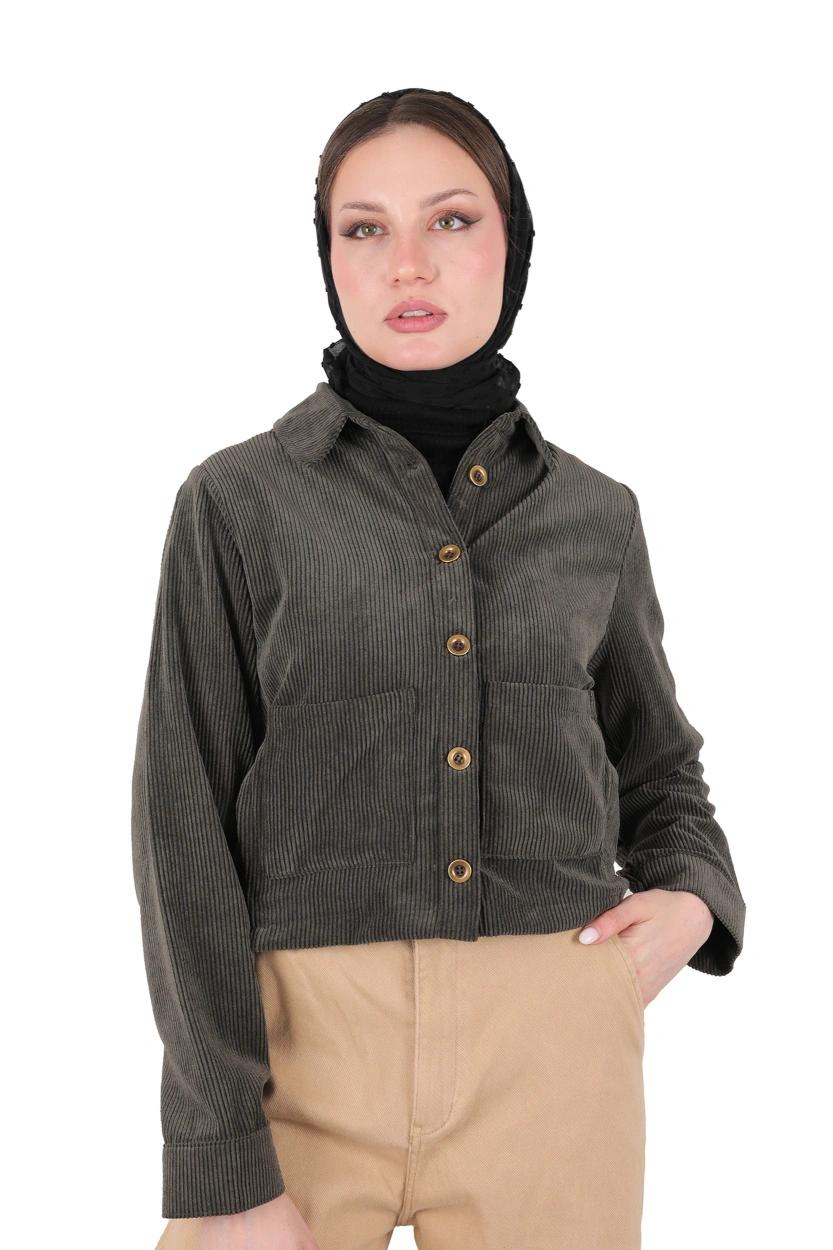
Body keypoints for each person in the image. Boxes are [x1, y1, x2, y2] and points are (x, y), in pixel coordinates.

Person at [133, 87, 746, 1250]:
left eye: (450, 220)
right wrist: (219, 1152)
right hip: (301, 1049)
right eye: (363, 228)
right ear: (327, 257)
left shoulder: (594, 514)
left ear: (513, 243)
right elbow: (182, 827)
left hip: (553, 1045)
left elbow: (660, 769)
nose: (405, 263)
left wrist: (692, 897)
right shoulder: (235, 502)